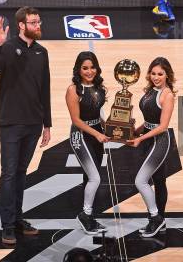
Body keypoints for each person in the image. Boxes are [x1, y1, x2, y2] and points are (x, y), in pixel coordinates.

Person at [0, 7, 52, 245]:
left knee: (21, 174)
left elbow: (45, 90)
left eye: (38, 21)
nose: (38, 25)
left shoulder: (42, 52)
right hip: (11, 122)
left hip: (33, 123)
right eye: (33, 22)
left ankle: (18, 218)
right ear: (21, 25)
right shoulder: (9, 47)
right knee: (9, 174)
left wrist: (47, 124)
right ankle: (7, 225)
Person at [127, 57, 175, 238]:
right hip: (148, 138)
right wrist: (134, 131)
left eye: (160, 74)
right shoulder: (150, 90)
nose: (156, 77)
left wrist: (140, 139)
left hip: (159, 141)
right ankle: (160, 220)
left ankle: (155, 218)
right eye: (153, 73)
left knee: (140, 181)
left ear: (167, 75)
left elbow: (162, 126)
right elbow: (148, 121)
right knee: (160, 180)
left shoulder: (167, 95)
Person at [66, 51, 110, 235]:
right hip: (80, 136)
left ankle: (89, 217)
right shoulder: (73, 90)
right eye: (85, 68)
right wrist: (97, 134)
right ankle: (85, 215)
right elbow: (76, 120)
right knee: (95, 178)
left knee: (89, 176)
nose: (90, 71)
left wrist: (110, 128)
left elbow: (97, 113)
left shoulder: (99, 88)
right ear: (78, 69)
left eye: (92, 67)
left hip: (96, 133)